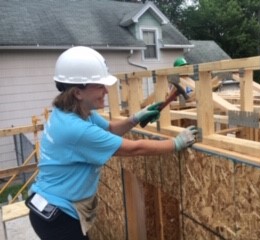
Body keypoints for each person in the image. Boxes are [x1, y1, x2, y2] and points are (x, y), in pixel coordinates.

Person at [26, 46, 197, 240]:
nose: (106, 91)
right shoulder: (75, 129)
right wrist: (176, 143)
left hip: (51, 204)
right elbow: (133, 148)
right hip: (57, 215)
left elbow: (109, 129)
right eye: (99, 86)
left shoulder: (76, 113)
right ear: (77, 93)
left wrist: (134, 118)